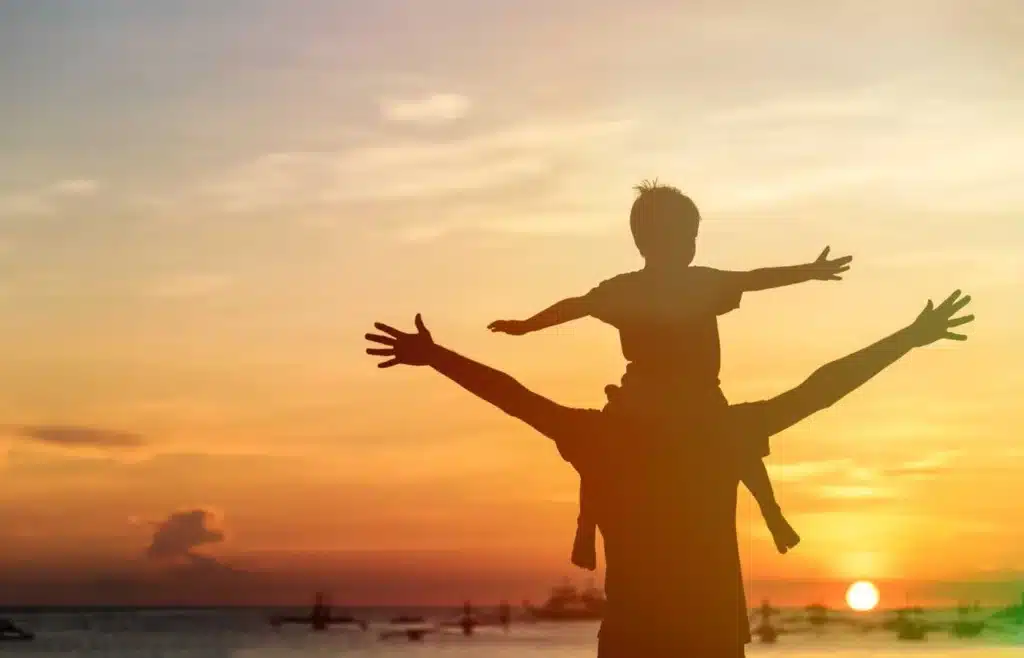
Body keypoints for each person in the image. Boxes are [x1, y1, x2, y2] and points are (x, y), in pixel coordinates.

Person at [367, 291, 972, 657]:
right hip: (707, 636)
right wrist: (908, 339)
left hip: (636, 637)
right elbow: (821, 388)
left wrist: (436, 356)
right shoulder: (722, 431)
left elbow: (513, 396)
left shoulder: (602, 435)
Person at [488, 180, 852, 566]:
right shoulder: (671, 286)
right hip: (657, 397)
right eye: (685, 237)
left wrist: (808, 271)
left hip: (679, 396)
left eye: (692, 237)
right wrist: (526, 326)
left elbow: (754, 278)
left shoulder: (667, 285)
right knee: (723, 438)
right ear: (651, 242)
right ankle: (587, 527)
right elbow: (575, 306)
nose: (691, 246)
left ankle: (771, 513)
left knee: (609, 450)